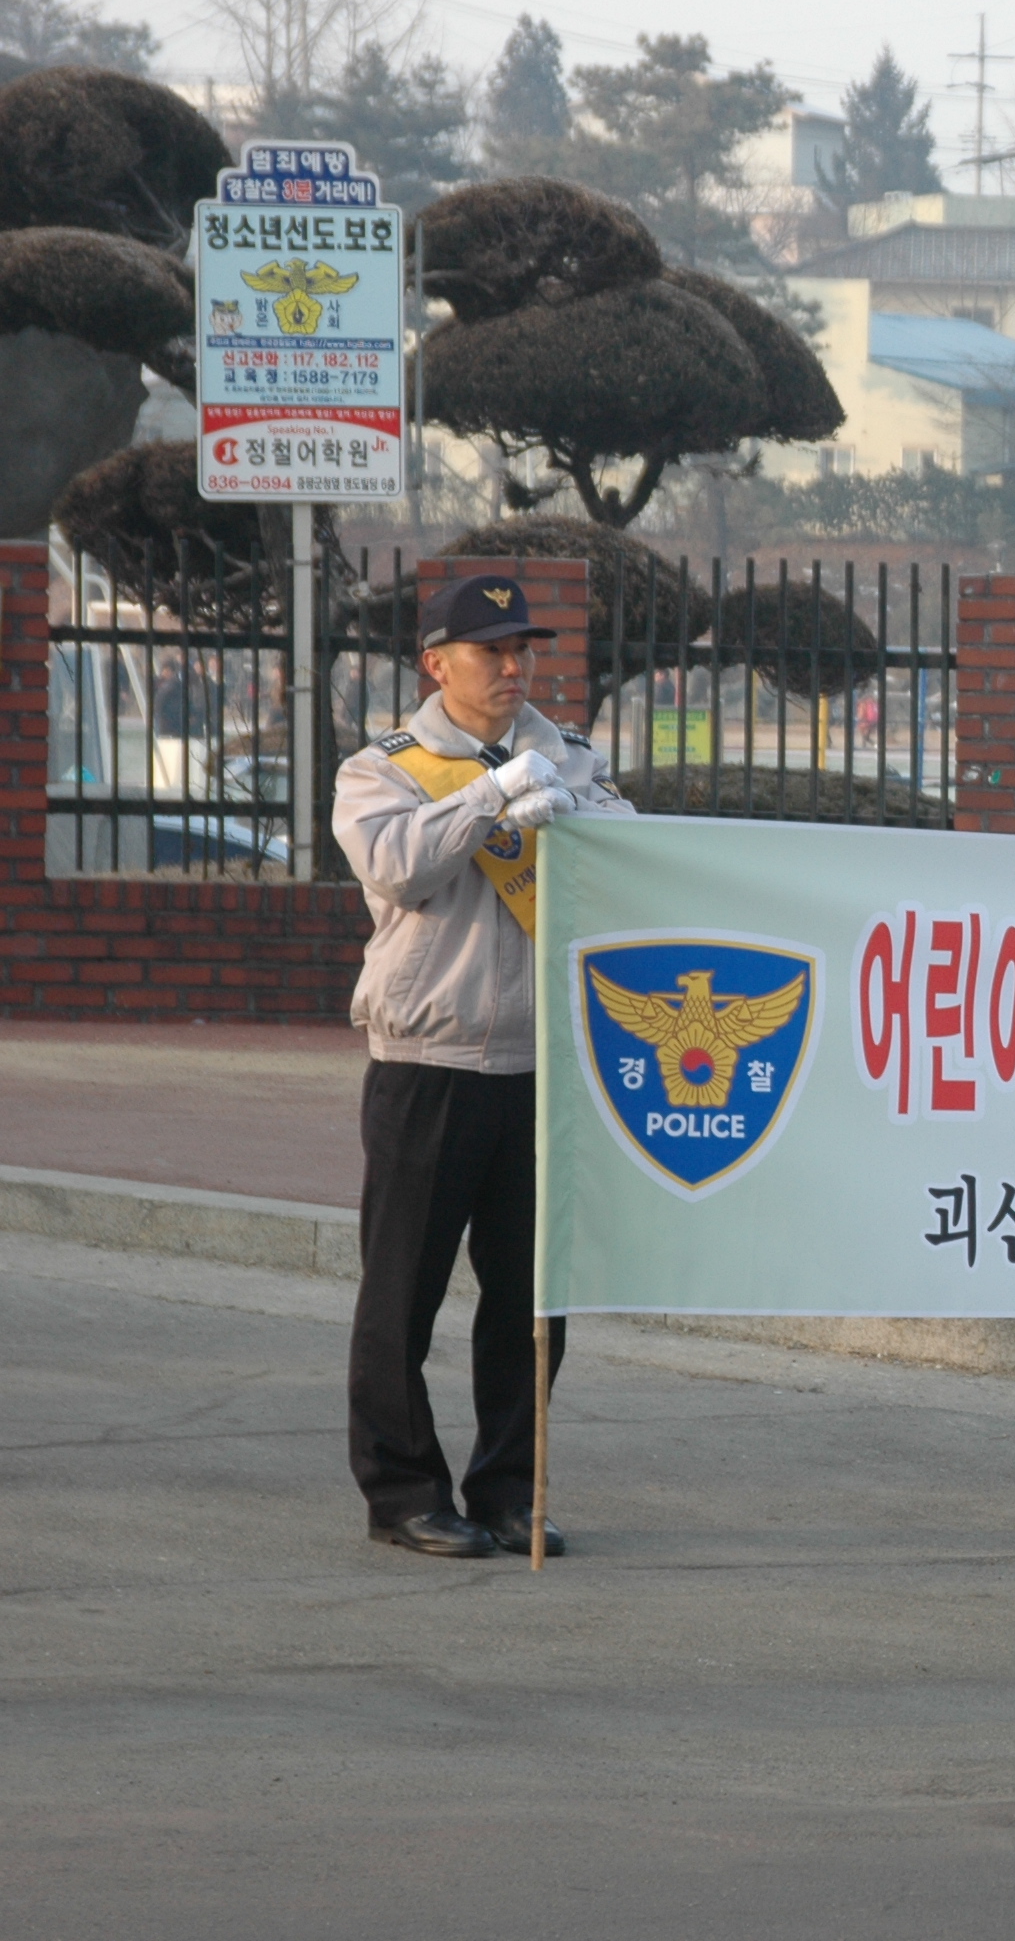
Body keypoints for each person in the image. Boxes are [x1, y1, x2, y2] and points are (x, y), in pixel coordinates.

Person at [332, 574, 636, 1558]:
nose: (512, 667)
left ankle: (510, 1486)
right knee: (402, 1292)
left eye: (522, 649)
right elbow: (393, 866)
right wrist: (491, 797)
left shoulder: (570, 757)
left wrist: (591, 822)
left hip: (543, 1063)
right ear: (436, 662)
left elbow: (633, 871)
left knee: (530, 1298)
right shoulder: (387, 770)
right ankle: (402, 1489)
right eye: (489, 650)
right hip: (433, 1058)